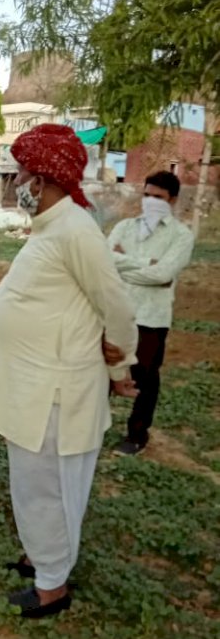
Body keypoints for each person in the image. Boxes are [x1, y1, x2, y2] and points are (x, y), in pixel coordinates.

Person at [0, 124, 138, 618]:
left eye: (24, 172)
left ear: (46, 178)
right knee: (31, 482)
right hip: (32, 385)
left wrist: (122, 365)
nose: (16, 181)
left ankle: (53, 586)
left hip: (55, 390)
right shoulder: (51, 226)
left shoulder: (75, 228)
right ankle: (42, 556)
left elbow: (114, 303)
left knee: (46, 485)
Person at [107, 171, 194, 455]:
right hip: (116, 312)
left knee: (146, 378)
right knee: (101, 370)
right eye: (147, 195)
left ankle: (137, 434)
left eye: (158, 198)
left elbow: (164, 274)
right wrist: (146, 263)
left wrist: (126, 264)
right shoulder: (125, 227)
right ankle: (95, 425)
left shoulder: (181, 236)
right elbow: (106, 261)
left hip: (151, 317)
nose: (150, 202)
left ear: (172, 200)